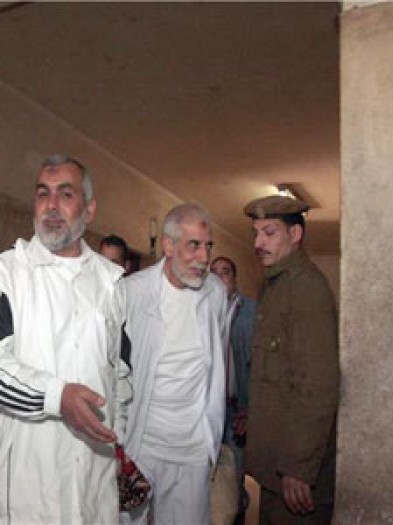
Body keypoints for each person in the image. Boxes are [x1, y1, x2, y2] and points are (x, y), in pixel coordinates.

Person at [0, 154, 132, 524]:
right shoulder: (5, 272)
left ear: (89, 210)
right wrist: (58, 397)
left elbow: (120, 373)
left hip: (91, 493)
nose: (51, 206)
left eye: (65, 194)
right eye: (43, 194)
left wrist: (118, 437)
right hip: (16, 498)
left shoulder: (112, 283)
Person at [121, 203, 227, 525]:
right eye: (193, 245)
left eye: (208, 246)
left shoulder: (215, 293)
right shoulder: (132, 292)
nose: (204, 257)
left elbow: (216, 364)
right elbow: (114, 371)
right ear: (168, 245)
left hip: (193, 451)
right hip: (142, 447)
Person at [243, 195, 339, 524]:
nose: (258, 243)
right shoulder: (275, 286)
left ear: (295, 234)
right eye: (256, 233)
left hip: (294, 477)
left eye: (269, 233)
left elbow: (319, 385)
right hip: (276, 470)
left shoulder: (306, 288)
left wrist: (299, 466)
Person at [210, 256, 257, 518]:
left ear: (235, 278)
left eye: (225, 272)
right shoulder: (201, 310)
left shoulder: (251, 312)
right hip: (209, 410)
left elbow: (259, 366)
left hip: (237, 410)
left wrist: (252, 407)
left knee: (235, 478)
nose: (219, 278)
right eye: (214, 273)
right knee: (210, 481)